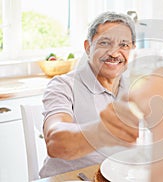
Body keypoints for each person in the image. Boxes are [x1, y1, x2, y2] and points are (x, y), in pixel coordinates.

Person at [40, 12, 139, 177]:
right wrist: (104, 132)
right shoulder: (63, 86)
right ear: (88, 47)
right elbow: (55, 141)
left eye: (124, 45)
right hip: (69, 178)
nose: (114, 53)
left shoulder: (134, 86)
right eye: (105, 43)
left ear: (132, 49)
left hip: (117, 176)